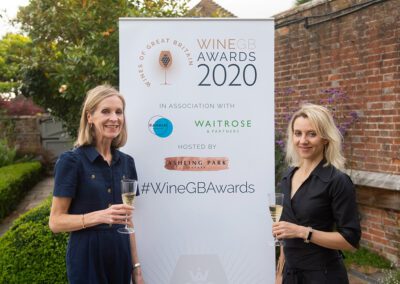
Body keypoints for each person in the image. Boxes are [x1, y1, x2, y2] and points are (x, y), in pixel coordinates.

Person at [49, 85, 144, 284]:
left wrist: (136, 269)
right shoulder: (71, 161)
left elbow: (127, 220)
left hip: (121, 256)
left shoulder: (127, 162)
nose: (114, 118)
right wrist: (100, 216)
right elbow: (56, 222)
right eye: (106, 111)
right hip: (86, 259)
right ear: (89, 117)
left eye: (119, 112)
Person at [273, 104, 361, 284]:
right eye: (298, 133)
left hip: (323, 275)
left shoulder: (337, 181)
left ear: (325, 139)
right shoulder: (288, 176)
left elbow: (350, 240)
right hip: (290, 275)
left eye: (311, 134)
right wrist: (279, 273)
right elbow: (285, 233)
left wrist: (302, 231)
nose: (303, 140)